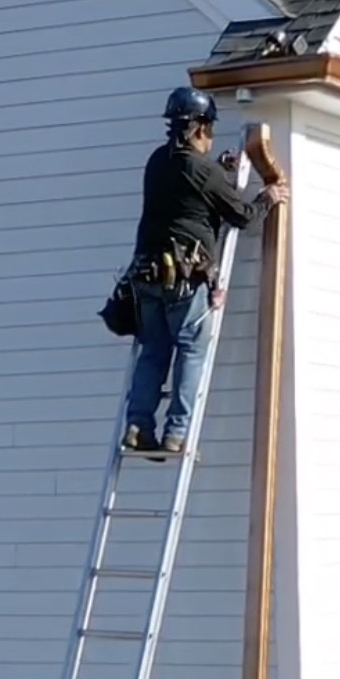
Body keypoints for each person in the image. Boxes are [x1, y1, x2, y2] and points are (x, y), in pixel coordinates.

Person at [123, 86, 289, 455]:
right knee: (191, 350)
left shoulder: (157, 161)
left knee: (153, 352)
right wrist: (267, 197)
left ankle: (137, 425)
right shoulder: (201, 169)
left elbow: (193, 200)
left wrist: (222, 173)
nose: (211, 136)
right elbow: (240, 216)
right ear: (198, 128)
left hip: (146, 276)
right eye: (209, 128)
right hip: (183, 280)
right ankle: (176, 434)